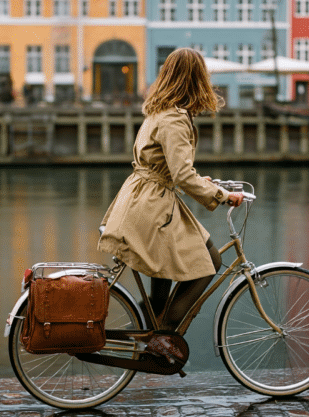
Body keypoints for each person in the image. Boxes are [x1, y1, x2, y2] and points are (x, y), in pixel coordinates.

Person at [97, 48, 246, 361]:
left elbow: (169, 168)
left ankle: (152, 322)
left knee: (169, 263)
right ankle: (163, 335)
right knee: (210, 265)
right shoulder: (175, 118)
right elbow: (180, 173)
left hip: (143, 198)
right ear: (196, 80)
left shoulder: (159, 111)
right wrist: (221, 196)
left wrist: (201, 181)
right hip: (152, 205)